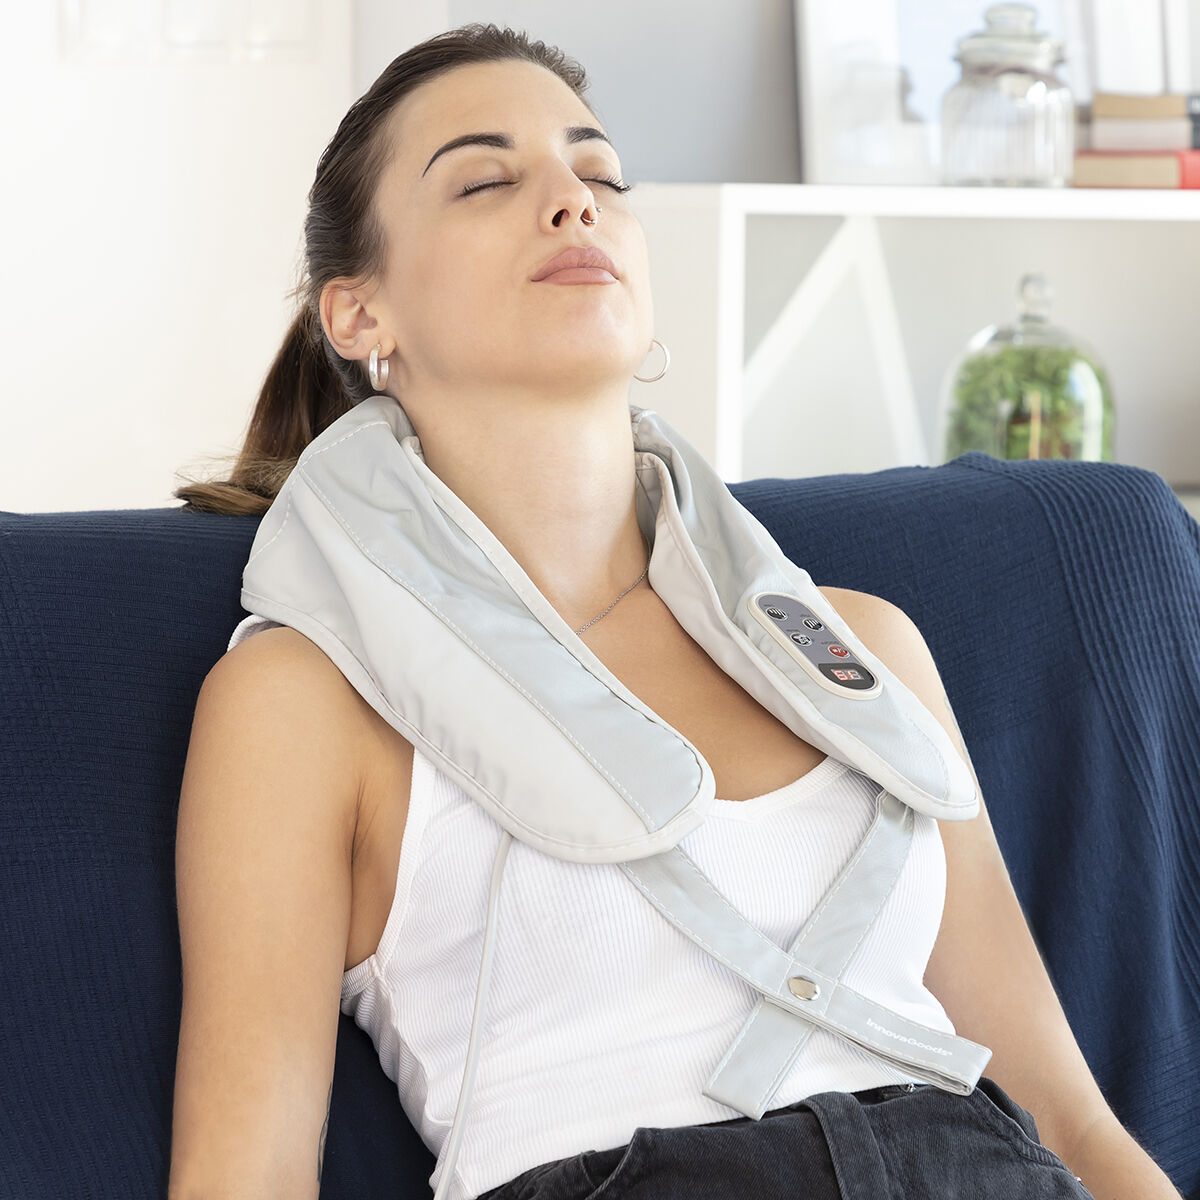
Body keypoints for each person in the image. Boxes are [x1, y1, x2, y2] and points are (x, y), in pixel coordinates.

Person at [167, 22, 1183, 1200]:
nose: (572, 201)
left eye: (599, 174)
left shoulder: (862, 651)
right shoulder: (308, 700)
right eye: (487, 180)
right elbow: (244, 1176)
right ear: (358, 315)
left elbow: (1067, 1119)